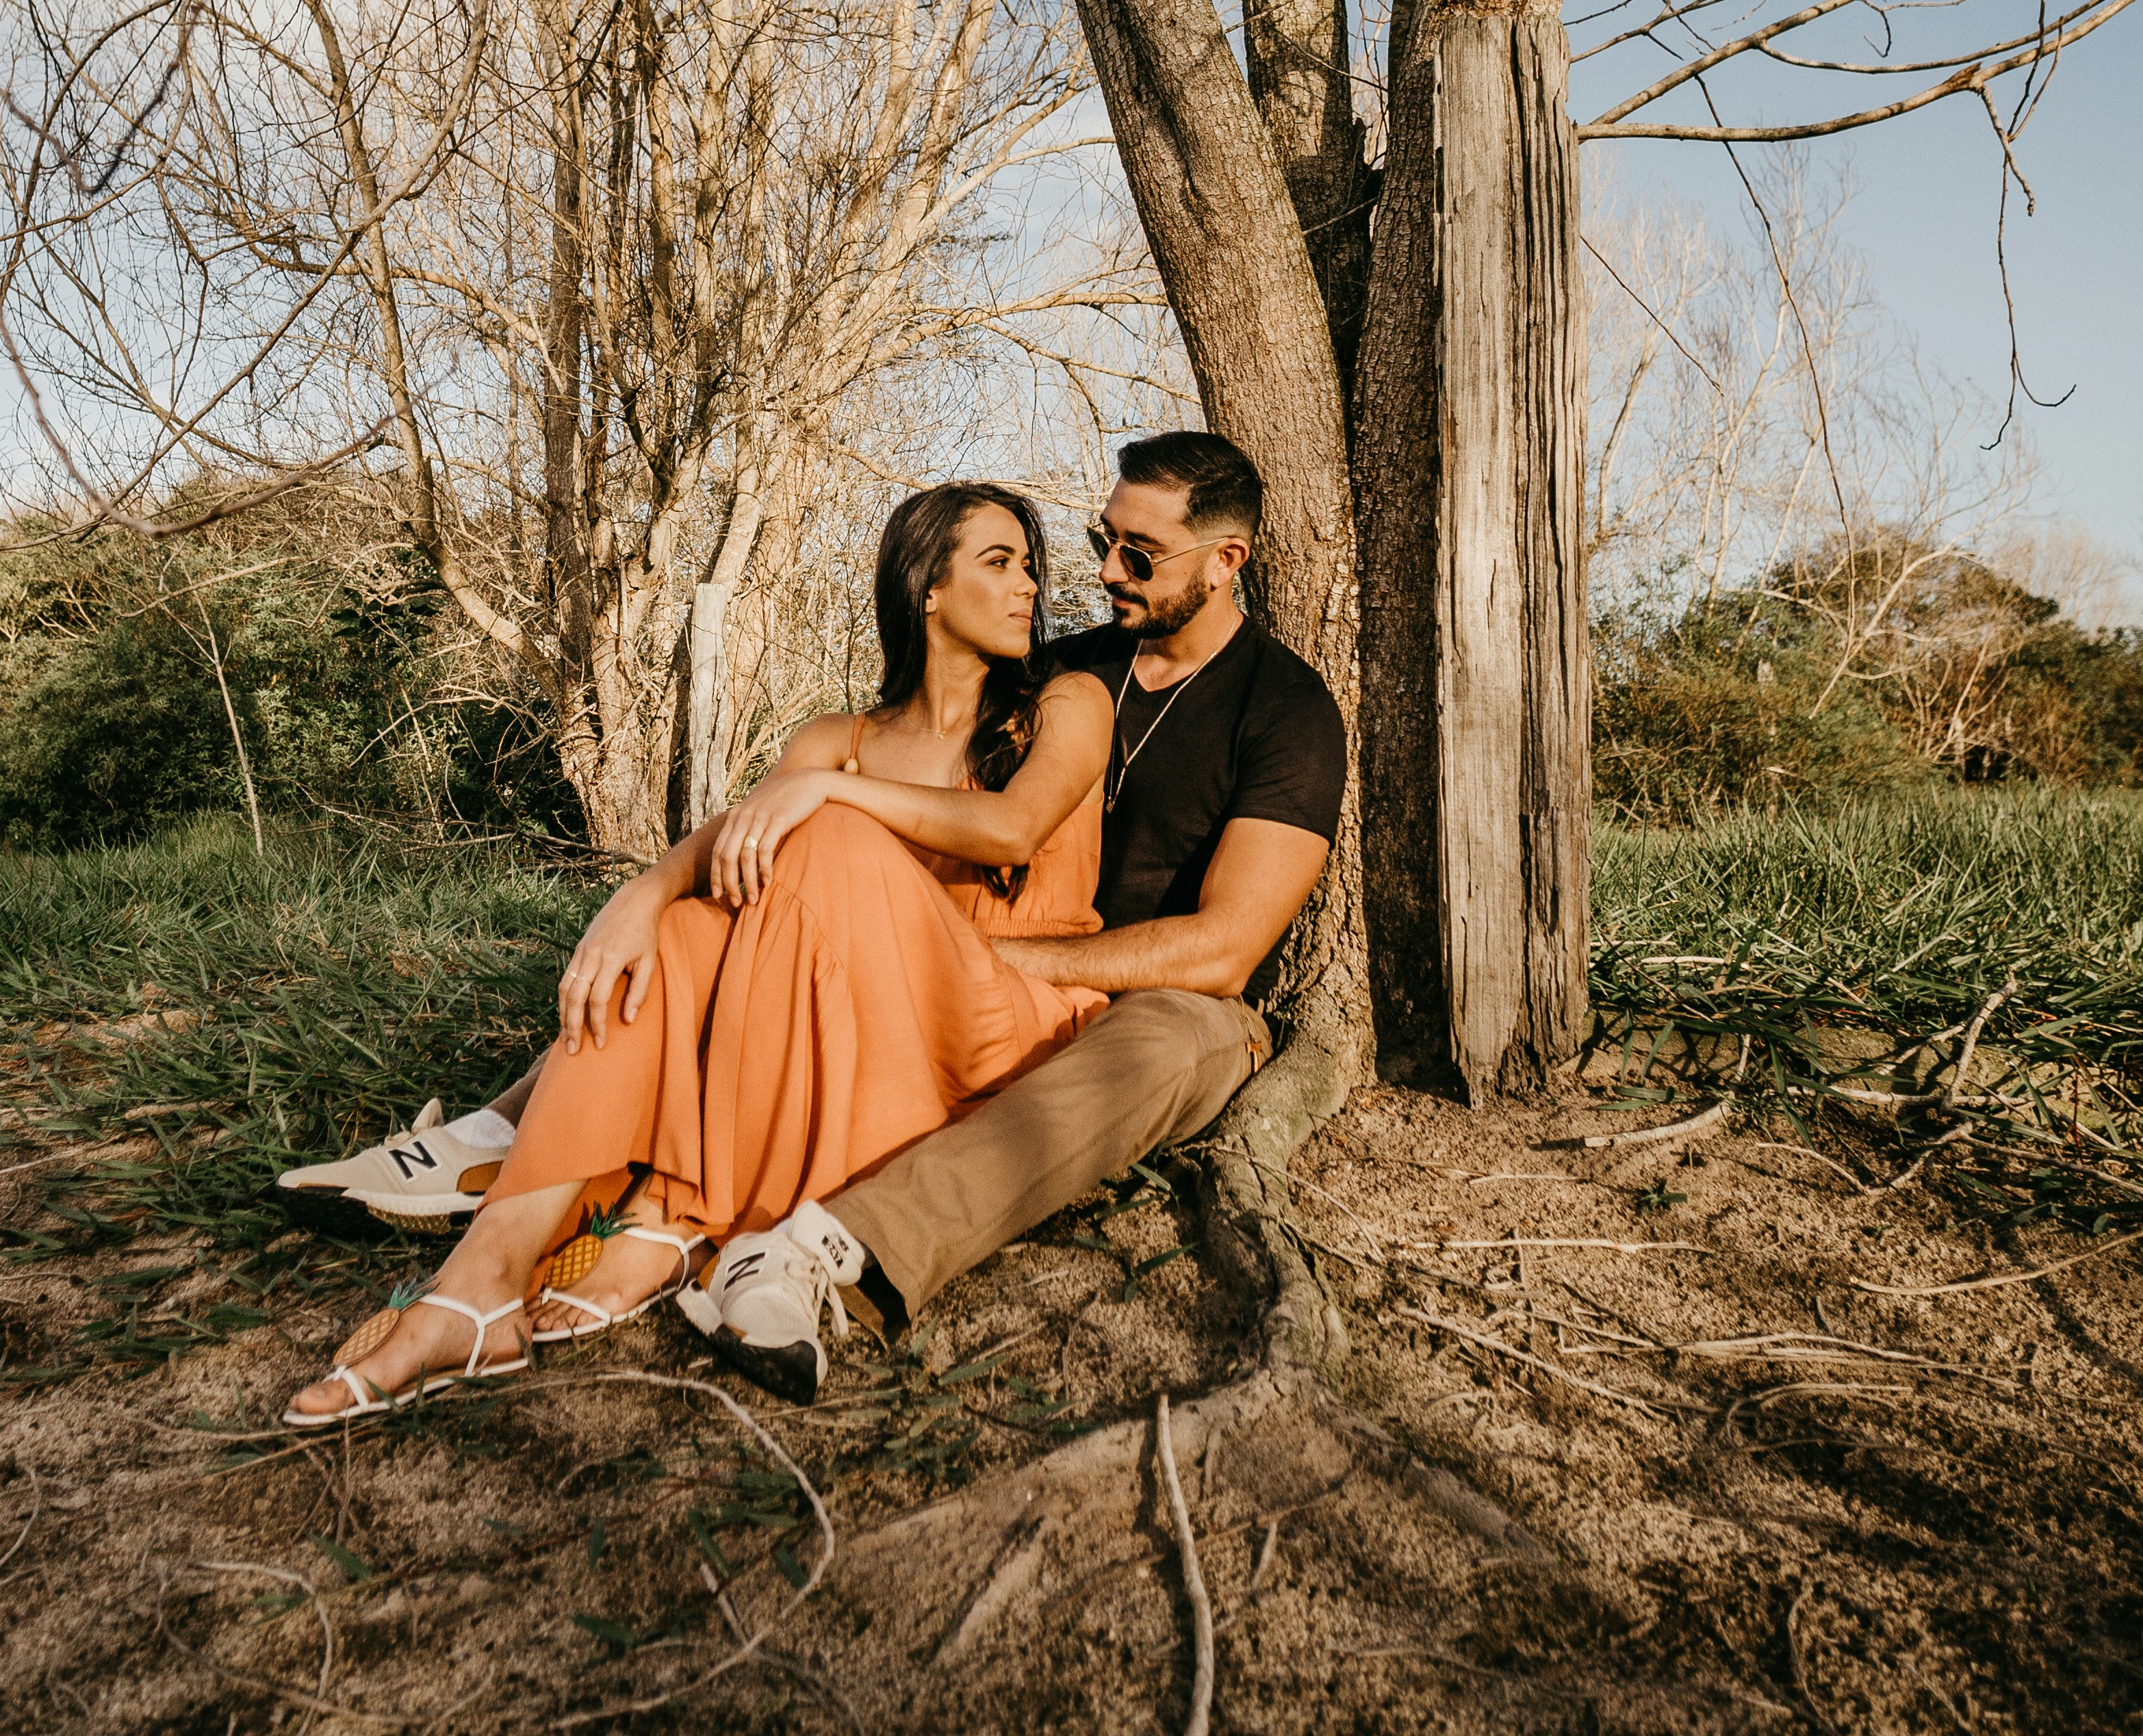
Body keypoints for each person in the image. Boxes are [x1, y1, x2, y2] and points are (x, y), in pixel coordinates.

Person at [274, 431, 1344, 1409]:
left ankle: (682, 1218)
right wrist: (640, 892)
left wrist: (884, 860)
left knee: (834, 854)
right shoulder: (1073, 664)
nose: (1097, 574)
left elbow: (1211, 936)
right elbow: (756, 838)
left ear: (1226, 560)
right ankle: (482, 1273)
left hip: (1103, 996)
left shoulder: (1269, 708)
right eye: (1093, 546)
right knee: (693, 931)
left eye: (1136, 555)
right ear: (929, 588)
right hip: (920, 981)